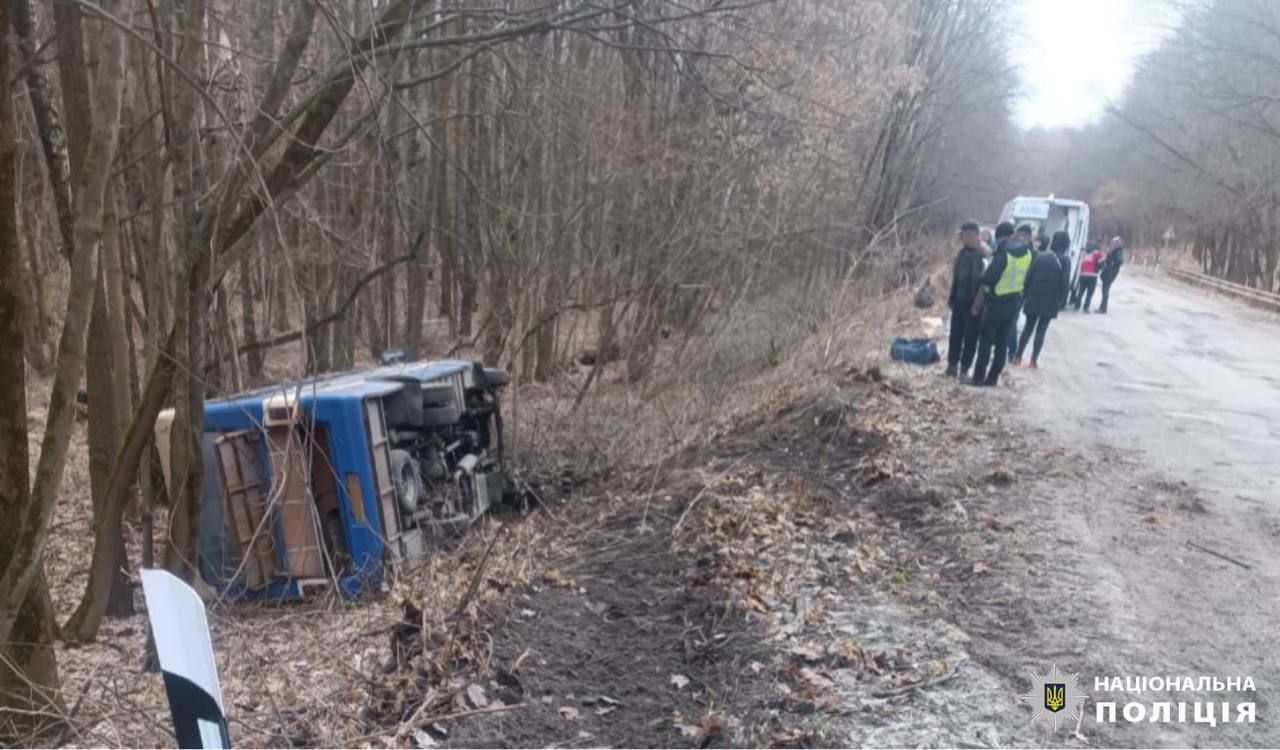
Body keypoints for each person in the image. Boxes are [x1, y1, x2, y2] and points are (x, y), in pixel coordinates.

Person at [969, 222, 1032, 387]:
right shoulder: (1027, 253)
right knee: (1002, 343)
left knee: (986, 342)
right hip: (1013, 304)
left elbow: (988, 279)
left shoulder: (1003, 254)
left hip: (996, 303)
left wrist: (977, 303)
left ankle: (978, 378)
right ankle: (992, 379)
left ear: (1001, 237)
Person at [1014, 231, 1071, 368]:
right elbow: (1065, 283)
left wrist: (1025, 295)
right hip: (1050, 301)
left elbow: (1029, 276)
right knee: (1041, 331)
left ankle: (1018, 357)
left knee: (1028, 328)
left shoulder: (1040, 257)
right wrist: (1062, 301)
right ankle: (1033, 361)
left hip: (1033, 297)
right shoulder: (1065, 261)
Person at [945, 221, 986, 378]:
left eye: (969, 235)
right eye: (963, 235)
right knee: (955, 335)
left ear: (976, 236)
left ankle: (964, 369)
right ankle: (951, 366)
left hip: (973, 304)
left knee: (970, 338)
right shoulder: (961, 254)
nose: (966, 238)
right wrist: (951, 298)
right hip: (958, 302)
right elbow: (956, 279)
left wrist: (977, 304)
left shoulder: (982, 255)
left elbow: (984, 283)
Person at [1006, 223, 1035, 360]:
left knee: (1010, 322)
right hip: (1019, 293)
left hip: (1010, 292)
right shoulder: (1033, 253)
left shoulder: (1009, 248)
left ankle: (1010, 350)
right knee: (1011, 322)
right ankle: (1011, 351)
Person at [1072, 241, 1104, 311]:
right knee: (1090, 293)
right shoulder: (1098, 254)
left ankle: (1077, 305)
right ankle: (1086, 307)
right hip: (1093, 275)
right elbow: (1101, 265)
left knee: (1081, 291)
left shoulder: (1083, 252)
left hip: (1083, 274)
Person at [1098, 236, 1125, 314]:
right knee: (1104, 291)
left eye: (1114, 242)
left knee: (1105, 291)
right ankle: (1102, 308)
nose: (1112, 243)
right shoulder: (1115, 250)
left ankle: (1103, 309)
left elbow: (1119, 261)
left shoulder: (1118, 251)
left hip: (1110, 273)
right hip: (1109, 272)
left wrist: (1112, 264)